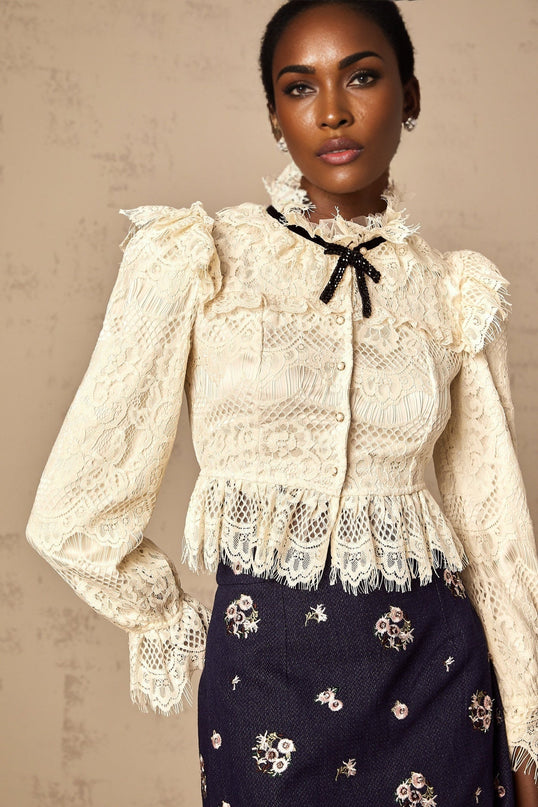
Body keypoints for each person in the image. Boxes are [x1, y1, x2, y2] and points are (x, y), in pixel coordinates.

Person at [25, 1, 537, 805]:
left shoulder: (453, 292)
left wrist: (531, 740)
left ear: (410, 95)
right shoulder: (202, 260)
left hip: (441, 683)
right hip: (263, 688)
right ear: (273, 113)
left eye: (362, 77)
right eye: (299, 88)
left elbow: (497, 532)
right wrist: (171, 619)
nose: (332, 111)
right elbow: (73, 513)